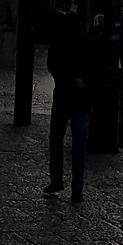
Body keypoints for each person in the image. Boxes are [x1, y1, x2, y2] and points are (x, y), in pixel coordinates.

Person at [44, 14, 104, 204]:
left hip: (63, 98)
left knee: (56, 139)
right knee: (79, 144)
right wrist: (84, 83)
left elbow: (53, 67)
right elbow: (99, 69)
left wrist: (69, 80)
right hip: (83, 100)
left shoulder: (58, 44)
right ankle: (77, 188)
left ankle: (56, 179)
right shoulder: (91, 45)